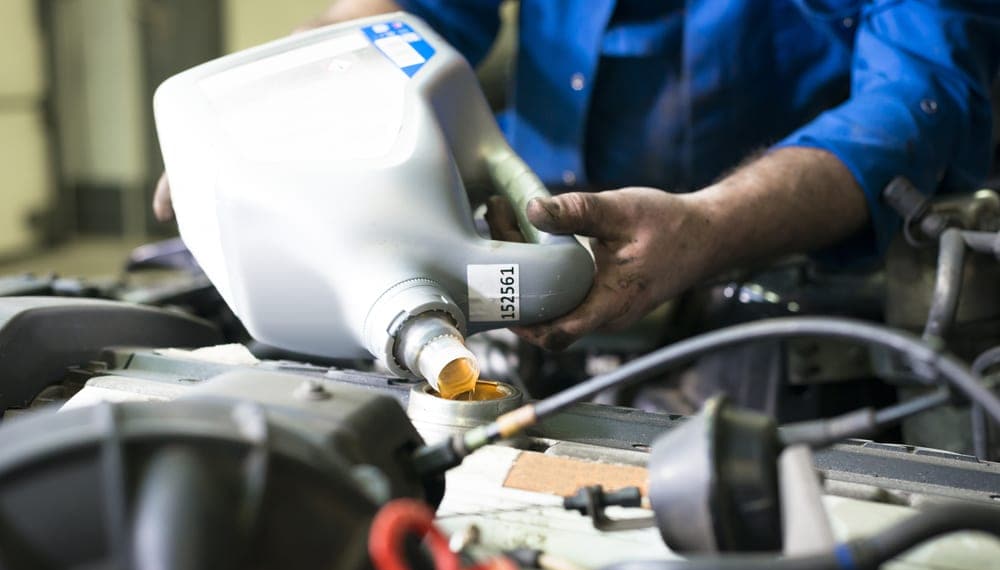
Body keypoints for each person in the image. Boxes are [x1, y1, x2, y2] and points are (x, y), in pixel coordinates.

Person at [154, 0, 1000, 351]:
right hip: (523, 274)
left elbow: (920, 99)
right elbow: (410, 16)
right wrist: (273, 100)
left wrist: (709, 226)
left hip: (786, 304)